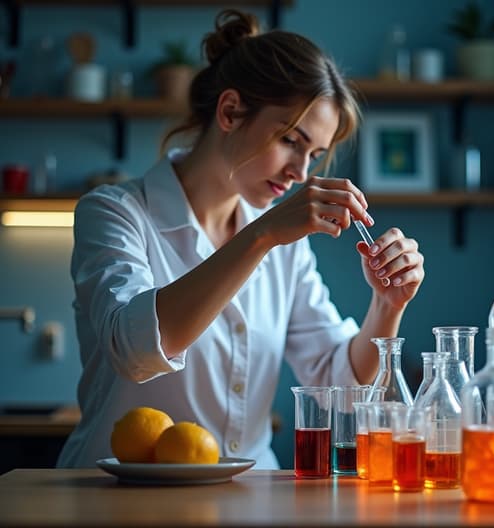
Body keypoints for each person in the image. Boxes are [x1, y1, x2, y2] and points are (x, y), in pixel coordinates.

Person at [57, 9, 425, 469]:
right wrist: (262, 234)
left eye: (315, 154)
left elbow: (342, 388)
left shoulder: (282, 241)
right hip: (116, 500)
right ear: (230, 111)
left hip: (250, 500)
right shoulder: (114, 213)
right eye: (291, 139)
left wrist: (387, 305)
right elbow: (135, 352)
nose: (301, 172)